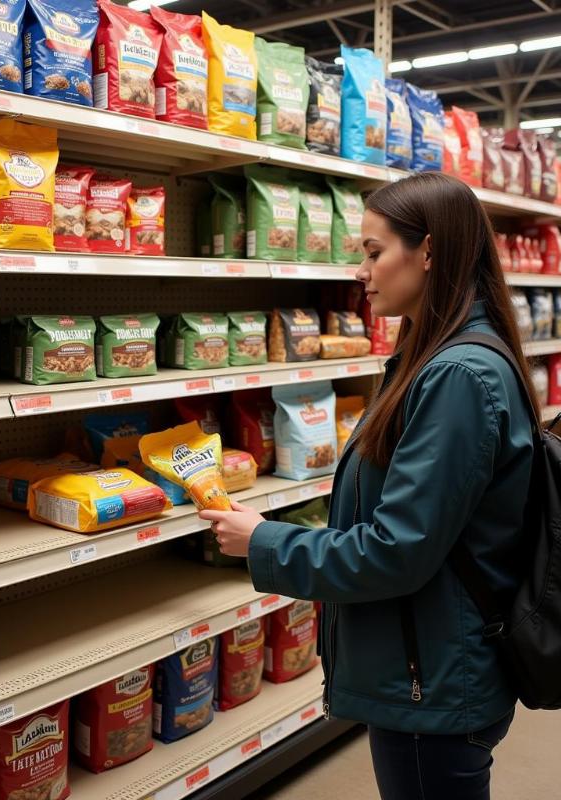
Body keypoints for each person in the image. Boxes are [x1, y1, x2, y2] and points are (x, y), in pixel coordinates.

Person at [200, 172, 536, 800]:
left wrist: (266, 542)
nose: (361, 270)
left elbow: (395, 550)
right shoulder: (438, 359)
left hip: (432, 679)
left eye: (374, 251)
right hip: (432, 665)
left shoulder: (458, 376)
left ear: (429, 252)